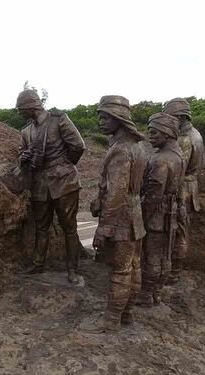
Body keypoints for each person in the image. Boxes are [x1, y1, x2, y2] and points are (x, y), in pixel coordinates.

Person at [86, 95, 148, 331]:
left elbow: (117, 193)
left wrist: (105, 227)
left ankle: (111, 321)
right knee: (133, 266)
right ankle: (127, 315)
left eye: (105, 117)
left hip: (121, 218)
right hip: (135, 216)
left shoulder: (121, 150)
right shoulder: (138, 146)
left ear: (118, 119)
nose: (101, 121)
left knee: (121, 271)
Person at [15, 89, 87, 284]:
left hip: (65, 182)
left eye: (21, 109)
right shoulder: (26, 131)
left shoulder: (59, 119)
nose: (20, 113)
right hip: (39, 184)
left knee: (69, 228)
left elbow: (78, 146)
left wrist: (65, 165)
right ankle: (38, 264)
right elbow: (21, 153)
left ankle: (72, 270)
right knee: (41, 227)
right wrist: (24, 157)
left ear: (31, 106)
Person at [140, 112, 183, 306]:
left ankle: (147, 294)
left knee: (152, 255)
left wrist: (142, 216)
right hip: (171, 213)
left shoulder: (161, 160)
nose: (150, 136)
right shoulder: (178, 155)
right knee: (165, 254)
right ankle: (156, 292)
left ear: (166, 133)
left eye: (153, 132)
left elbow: (153, 195)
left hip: (157, 215)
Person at [163, 98, 204, 283]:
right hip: (188, 187)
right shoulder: (195, 134)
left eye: (170, 118)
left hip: (182, 190)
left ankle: (174, 272)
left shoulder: (186, 139)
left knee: (178, 231)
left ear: (180, 117)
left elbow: (178, 169)